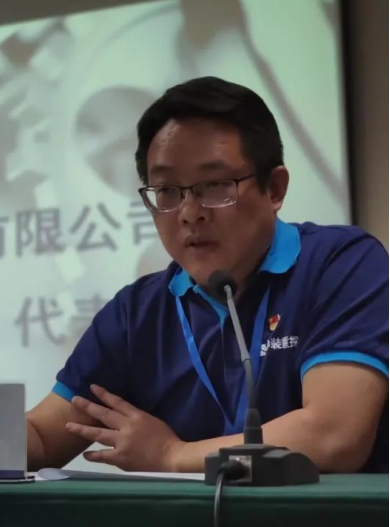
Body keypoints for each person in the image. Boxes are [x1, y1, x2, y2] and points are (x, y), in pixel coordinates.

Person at [26, 77, 388, 474]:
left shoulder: (341, 264)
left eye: (214, 185)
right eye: (167, 190)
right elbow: (42, 437)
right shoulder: (137, 313)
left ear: (274, 188)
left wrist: (171, 455)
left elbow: (335, 435)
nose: (189, 213)